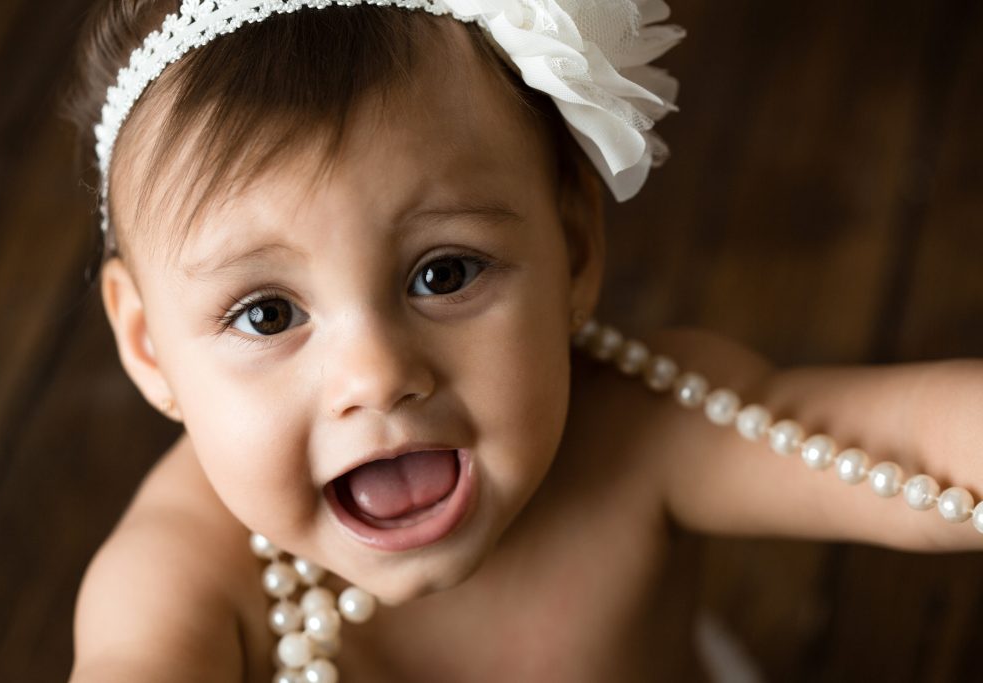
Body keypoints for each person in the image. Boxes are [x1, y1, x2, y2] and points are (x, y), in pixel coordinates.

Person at [65, 0, 983, 681]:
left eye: (445, 273)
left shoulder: (638, 426)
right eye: (268, 313)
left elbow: (910, 447)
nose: (378, 375)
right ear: (149, 347)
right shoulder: (182, 569)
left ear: (573, 250)